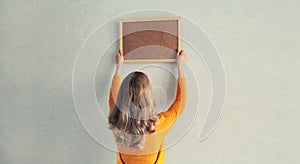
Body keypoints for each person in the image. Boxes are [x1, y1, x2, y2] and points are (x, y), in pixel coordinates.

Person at [108, 50, 187, 164]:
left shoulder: (116, 122)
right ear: (148, 97)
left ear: (122, 97)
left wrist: (118, 68)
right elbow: (180, 105)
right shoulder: (157, 126)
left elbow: (113, 99)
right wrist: (180, 68)